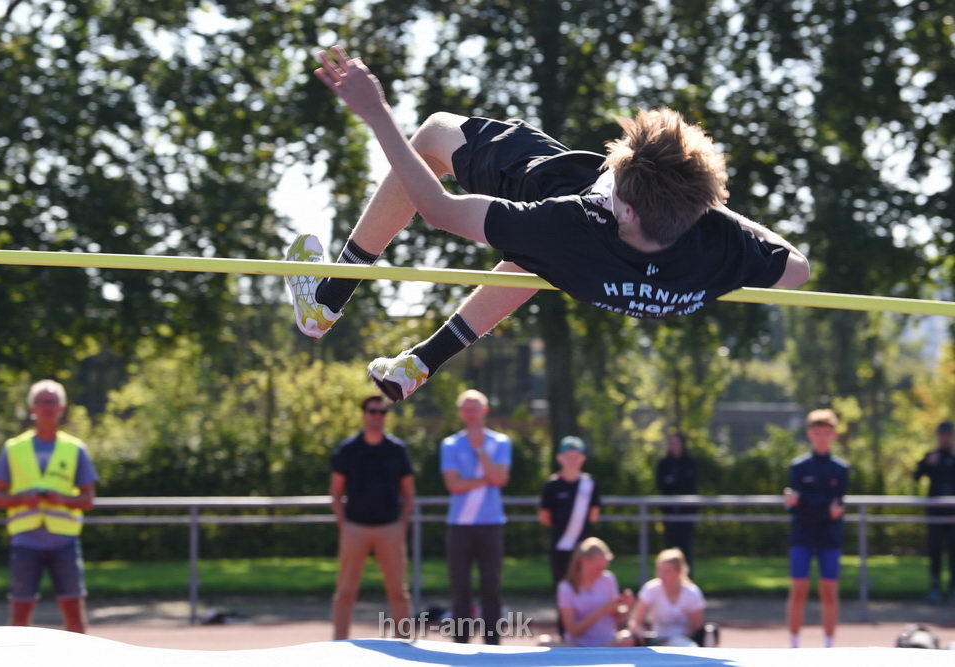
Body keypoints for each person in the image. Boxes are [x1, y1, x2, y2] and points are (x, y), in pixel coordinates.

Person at [286, 45, 810, 402]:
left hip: (559, 196)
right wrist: (699, 200)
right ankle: (420, 364)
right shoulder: (714, 250)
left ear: (624, 208)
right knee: (534, 257)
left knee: (434, 135)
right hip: (599, 269)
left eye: (617, 174)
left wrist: (376, 112)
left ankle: (327, 299)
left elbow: (438, 208)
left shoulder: (564, 223)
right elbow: (796, 269)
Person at [0, 380, 97, 633]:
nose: (46, 408)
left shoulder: (75, 448)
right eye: (41, 402)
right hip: (25, 541)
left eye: (51, 402)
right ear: (32, 408)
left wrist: (63, 500)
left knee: (73, 608)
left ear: (61, 407)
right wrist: (22, 498)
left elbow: (87, 499)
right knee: (20, 610)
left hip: (65, 541)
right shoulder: (13, 448)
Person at [330, 395, 415, 639]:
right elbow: (336, 492)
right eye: (372, 411)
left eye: (382, 412)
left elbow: (408, 493)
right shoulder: (348, 450)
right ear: (364, 413)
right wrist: (344, 525)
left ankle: (403, 644)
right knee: (346, 590)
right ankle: (339, 642)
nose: (377, 416)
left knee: (398, 591)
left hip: (389, 527)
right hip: (355, 527)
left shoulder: (397, 449)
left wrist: (401, 525)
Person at [440, 389, 511, 644]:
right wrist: (486, 479)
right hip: (459, 526)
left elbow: (500, 479)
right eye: (466, 409)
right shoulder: (449, 444)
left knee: (491, 586)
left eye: (475, 409)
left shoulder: (500, 442)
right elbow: (454, 485)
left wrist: (480, 450)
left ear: (485, 411)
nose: (471, 414)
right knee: (461, 588)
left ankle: (493, 645)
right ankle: (461, 644)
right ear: (461, 413)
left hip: (491, 524)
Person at [784, 408, 849, 649]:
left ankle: (829, 645)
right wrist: (810, 505)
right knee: (799, 588)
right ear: (810, 434)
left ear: (833, 435)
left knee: (829, 590)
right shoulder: (798, 467)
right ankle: (793, 645)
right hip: (802, 534)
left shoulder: (841, 469)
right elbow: (795, 504)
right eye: (818, 432)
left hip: (829, 536)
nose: (822, 437)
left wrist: (807, 503)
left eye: (827, 432)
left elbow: (836, 506)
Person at [538, 435, 601, 638]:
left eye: (576, 456)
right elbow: (545, 517)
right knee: (563, 591)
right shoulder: (552, 485)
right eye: (568, 456)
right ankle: (565, 634)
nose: (572, 460)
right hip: (560, 548)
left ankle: (586, 634)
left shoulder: (590, 484)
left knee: (587, 589)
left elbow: (593, 515)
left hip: (584, 550)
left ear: (582, 458)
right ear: (560, 458)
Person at [556, 537, 634, 647]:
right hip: (577, 646)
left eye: (604, 567)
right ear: (584, 562)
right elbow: (572, 631)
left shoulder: (608, 579)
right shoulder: (566, 588)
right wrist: (601, 611)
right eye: (598, 567)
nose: (601, 571)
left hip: (608, 643)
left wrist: (628, 607)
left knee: (627, 637)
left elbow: (617, 620)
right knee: (543, 642)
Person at [627, 548, 707, 647]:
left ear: (679, 572)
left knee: (686, 647)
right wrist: (640, 634)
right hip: (657, 640)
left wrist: (675, 640)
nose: (661, 575)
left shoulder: (692, 593)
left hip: (683, 640)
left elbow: (695, 626)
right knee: (625, 639)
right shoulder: (651, 588)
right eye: (659, 571)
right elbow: (636, 620)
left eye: (667, 572)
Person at [913, 420, 955, 603]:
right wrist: (927, 464)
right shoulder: (931, 456)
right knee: (935, 551)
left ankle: (953, 588)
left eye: (947, 435)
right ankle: (935, 587)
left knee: (954, 552)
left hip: (953, 513)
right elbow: (916, 476)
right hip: (935, 512)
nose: (944, 438)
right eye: (942, 434)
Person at [655, 432, 698, 571]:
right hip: (669, 512)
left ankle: (687, 576)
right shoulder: (664, 463)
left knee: (686, 546)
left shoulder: (690, 463)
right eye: (672, 443)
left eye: (677, 443)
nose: (674, 446)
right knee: (670, 544)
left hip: (686, 512)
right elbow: (661, 485)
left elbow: (690, 485)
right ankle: (669, 574)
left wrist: (674, 482)